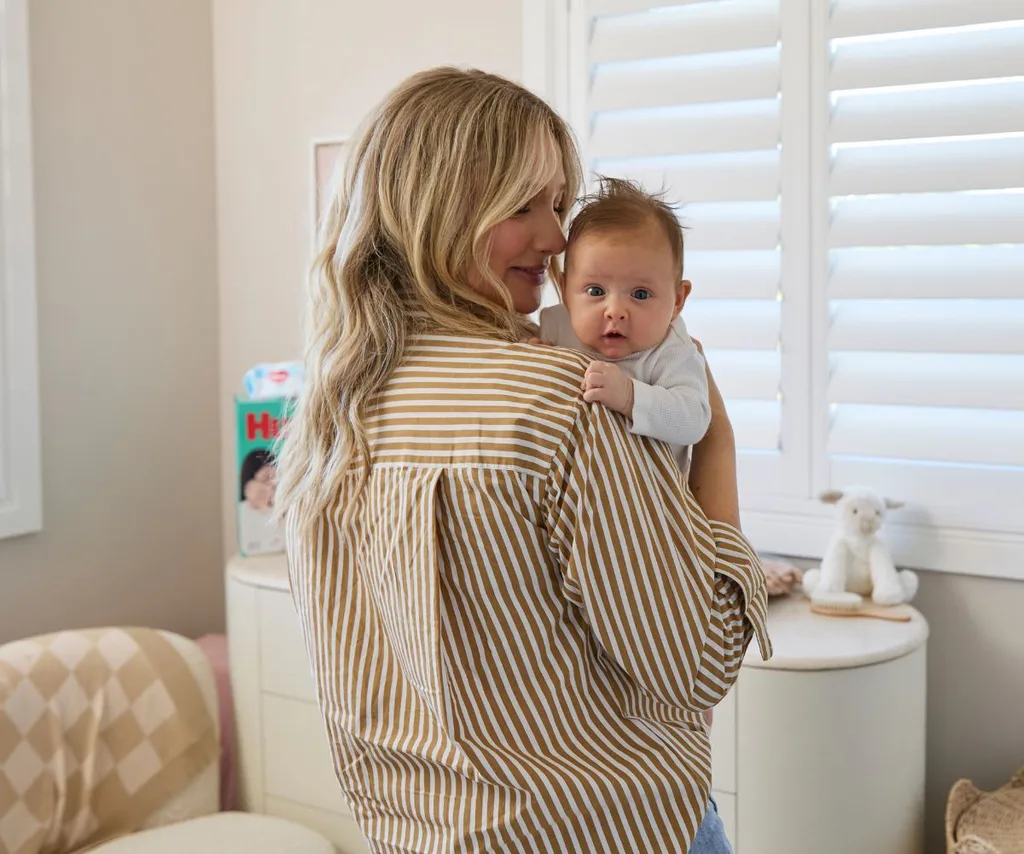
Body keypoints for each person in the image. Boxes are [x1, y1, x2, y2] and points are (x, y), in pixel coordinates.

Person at [275, 66, 772, 854]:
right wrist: (715, 439)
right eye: (522, 204)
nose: (555, 239)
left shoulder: (331, 411)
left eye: (556, 204)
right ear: (437, 207)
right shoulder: (556, 400)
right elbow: (700, 664)